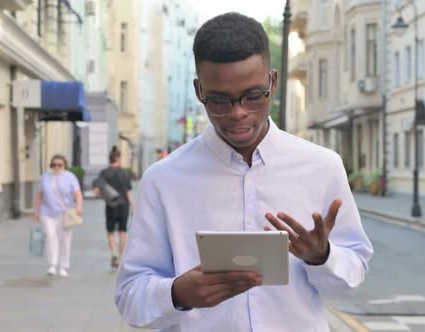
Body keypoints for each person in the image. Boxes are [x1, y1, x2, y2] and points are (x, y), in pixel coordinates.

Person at [115, 13, 373, 331]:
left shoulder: (322, 167)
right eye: (220, 100)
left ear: (273, 82)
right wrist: (177, 293)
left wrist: (322, 257)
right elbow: (130, 296)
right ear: (199, 91)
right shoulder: (163, 180)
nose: (238, 113)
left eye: (253, 96)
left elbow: (350, 281)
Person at [33, 154, 83, 277]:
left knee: (65, 240)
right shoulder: (46, 177)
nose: (57, 167)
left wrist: (79, 207)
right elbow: (40, 195)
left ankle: (63, 266)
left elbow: (77, 194)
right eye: (54, 164)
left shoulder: (70, 177)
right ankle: (52, 265)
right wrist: (36, 211)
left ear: (64, 165)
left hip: (65, 213)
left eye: (59, 164)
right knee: (51, 236)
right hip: (47, 212)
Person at [94, 146, 134, 268]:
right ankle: (121, 257)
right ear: (118, 158)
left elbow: (97, 190)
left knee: (110, 231)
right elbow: (128, 192)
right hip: (124, 206)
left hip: (111, 205)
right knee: (123, 231)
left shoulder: (104, 173)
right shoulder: (124, 173)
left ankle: (114, 254)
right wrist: (134, 206)